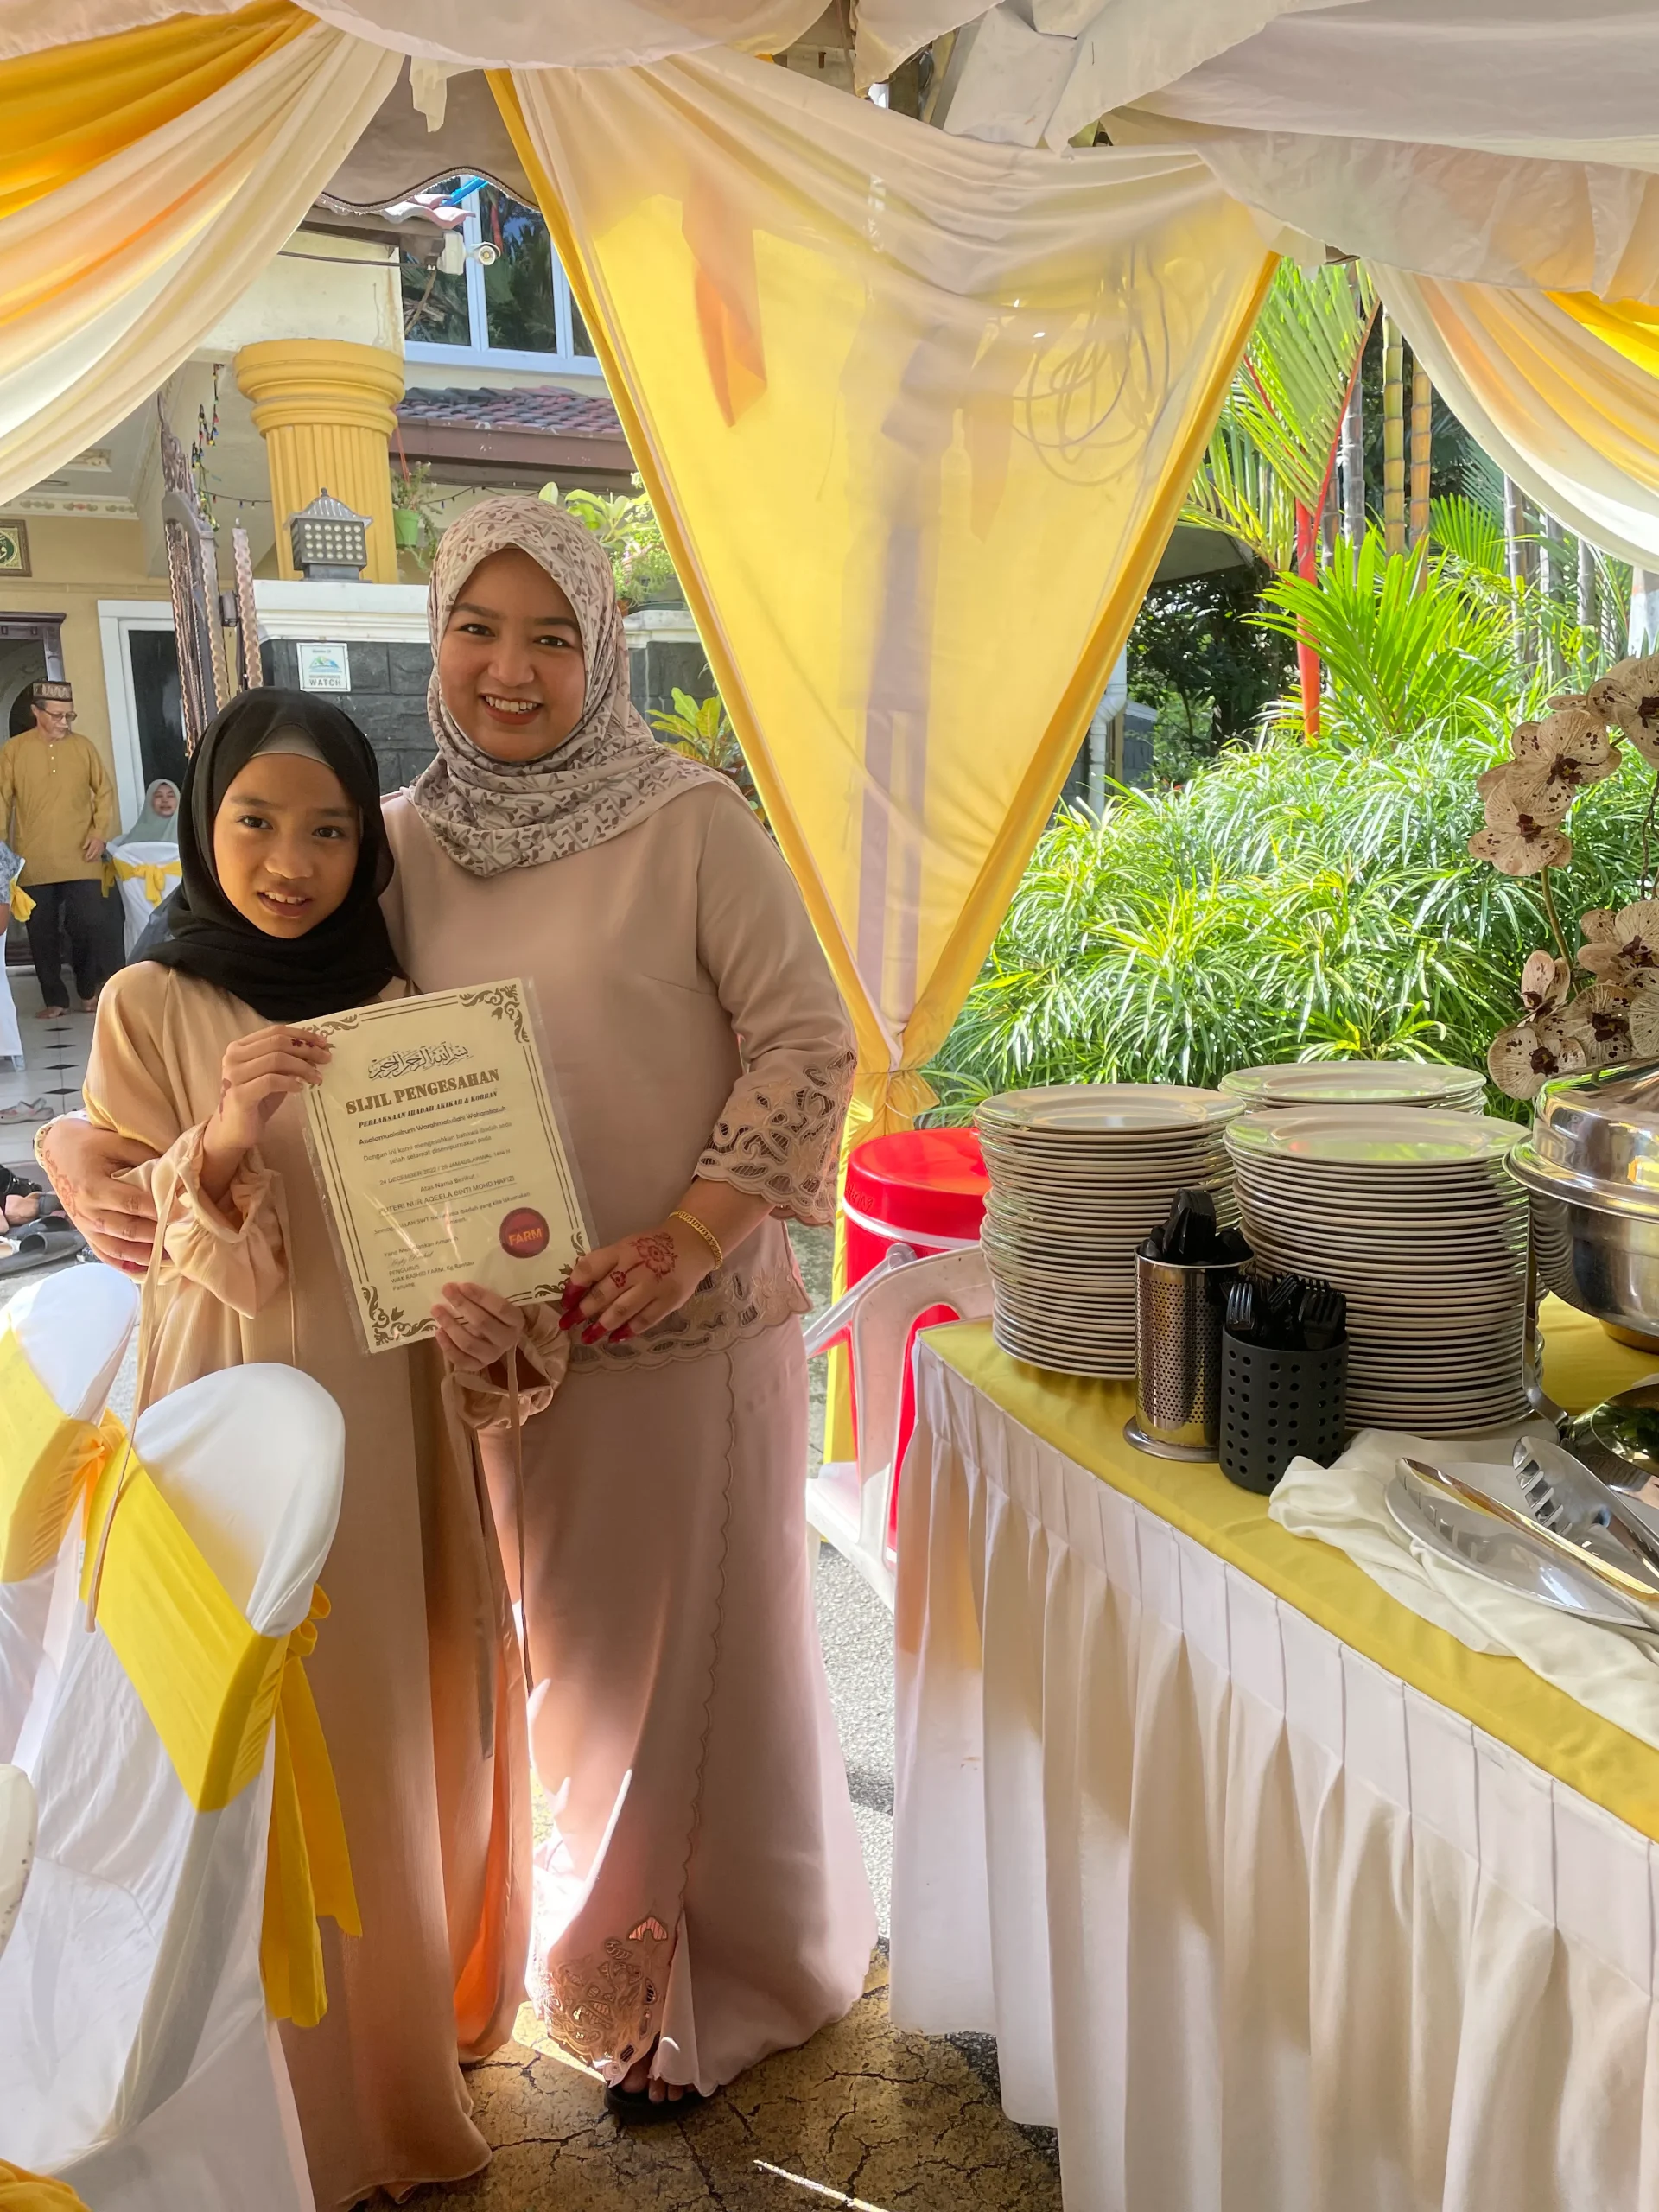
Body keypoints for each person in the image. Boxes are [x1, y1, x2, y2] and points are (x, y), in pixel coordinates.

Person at [49, 496, 876, 2120]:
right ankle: (563, 1957)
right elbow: (221, 974)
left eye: (551, 636)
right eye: (478, 630)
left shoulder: (691, 824)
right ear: (433, 642)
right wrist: (81, 1144)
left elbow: (807, 1046)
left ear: (601, 651)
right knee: (539, 1673)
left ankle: (697, 1997)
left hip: (673, 1329)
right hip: (476, 1345)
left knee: (680, 1677)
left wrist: (690, 1239)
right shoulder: (400, 838)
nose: (512, 669)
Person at [79, 689, 557, 2209]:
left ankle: (392, 2084)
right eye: (256, 823)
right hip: (227, 1421)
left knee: (388, 1730)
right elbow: (143, 1241)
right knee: (254, 1749)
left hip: (386, 1432)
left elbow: (458, 1229)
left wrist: (488, 1322)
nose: (291, 863)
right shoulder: (147, 1004)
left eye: (331, 831)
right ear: (201, 824)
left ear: (368, 848)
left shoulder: (408, 1005)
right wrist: (224, 1135)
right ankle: (262, 2111)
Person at [0, 681, 116, 1015]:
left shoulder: (83, 747)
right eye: (57, 716)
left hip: (82, 855)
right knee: (42, 932)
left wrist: (99, 833)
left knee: (89, 924)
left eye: (69, 716)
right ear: (36, 712)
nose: (64, 723)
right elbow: (2, 799)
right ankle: (55, 1000)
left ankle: (88, 989)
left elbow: (104, 792)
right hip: (33, 858)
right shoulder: (14, 750)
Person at [111, 774, 181, 847]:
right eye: (159, 795)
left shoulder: (186, 830)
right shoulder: (139, 832)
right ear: (150, 801)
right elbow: (122, 851)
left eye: (170, 796)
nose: (165, 800)